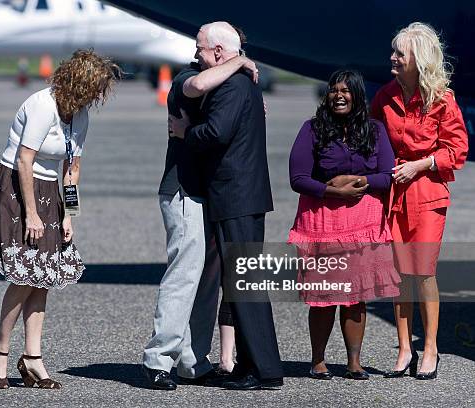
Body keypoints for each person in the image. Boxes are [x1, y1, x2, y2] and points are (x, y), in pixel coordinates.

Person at [0, 50, 119, 389]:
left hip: (48, 191)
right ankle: (0, 349)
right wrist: (31, 214)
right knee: (25, 273)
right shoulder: (43, 105)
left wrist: (69, 214)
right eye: (92, 89)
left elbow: (71, 170)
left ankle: (32, 357)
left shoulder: (81, 114)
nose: (95, 97)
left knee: (45, 275)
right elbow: (25, 160)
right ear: (78, 83)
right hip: (15, 184)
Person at [170, 21, 283, 390]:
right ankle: (256, 365)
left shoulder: (232, 86)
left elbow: (217, 132)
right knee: (245, 283)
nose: (197, 55)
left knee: (246, 285)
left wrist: (187, 133)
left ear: (219, 52)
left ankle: (260, 370)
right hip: (243, 195)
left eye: (201, 49)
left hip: (236, 196)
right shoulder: (242, 81)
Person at [142, 42, 260, 390]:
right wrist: (240, 62)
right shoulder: (187, 76)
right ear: (220, 53)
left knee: (207, 279)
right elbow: (195, 88)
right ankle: (158, 359)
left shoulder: (225, 85)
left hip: (208, 194)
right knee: (184, 273)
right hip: (182, 190)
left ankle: (193, 360)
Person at [370, 22, 468, 380]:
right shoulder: (385, 96)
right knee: (400, 275)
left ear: (419, 59)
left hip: (427, 194)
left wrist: (421, 164)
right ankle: (403, 349)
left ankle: (430, 348)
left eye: (400, 53)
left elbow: (457, 150)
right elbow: (371, 138)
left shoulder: (442, 99)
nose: (392, 58)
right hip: (394, 194)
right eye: (394, 52)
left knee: (422, 273)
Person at [288, 69, 400, 380]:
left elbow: (388, 175)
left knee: (355, 296)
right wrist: (331, 190)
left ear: (358, 96)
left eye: (346, 91)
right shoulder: (312, 129)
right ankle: (318, 361)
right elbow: (297, 178)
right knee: (325, 296)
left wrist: (359, 180)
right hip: (322, 220)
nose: (340, 95)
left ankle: (354, 362)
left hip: (362, 221)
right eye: (334, 90)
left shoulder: (375, 130)